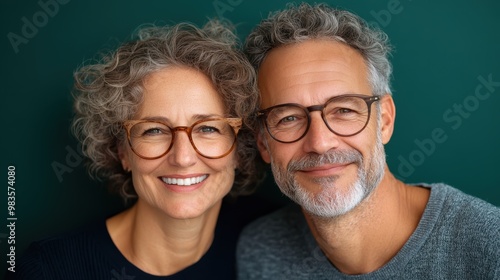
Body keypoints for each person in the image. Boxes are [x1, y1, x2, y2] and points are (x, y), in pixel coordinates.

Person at [237, 3, 500, 279]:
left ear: (384, 120)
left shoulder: (489, 250)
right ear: (263, 142)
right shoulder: (260, 252)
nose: (320, 143)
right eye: (288, 118)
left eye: (344, 110)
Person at [8, 19, 266, 279]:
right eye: (154, 130)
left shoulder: (271, 244)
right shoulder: (49, 270)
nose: (183, 157)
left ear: (238, 148)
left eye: (208, 128)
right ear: (122, 152)